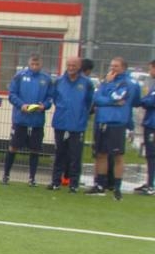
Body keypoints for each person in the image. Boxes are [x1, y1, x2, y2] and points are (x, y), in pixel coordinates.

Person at [86, 57, 141, 200]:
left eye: (116, 66)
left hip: (116, 123)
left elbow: (120, 98)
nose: (112, 68)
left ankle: (117, 188)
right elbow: (97, 99)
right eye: (111, 65)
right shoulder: (107, 81)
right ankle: (100, 185)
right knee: (101, 154)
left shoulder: (128, 83)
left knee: (118, 156)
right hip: (101, 122)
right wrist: (107, 85)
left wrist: (108, 95)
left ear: (124, 67)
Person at [2, 53, 54, 186]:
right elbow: (12, 94)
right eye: (32, 64)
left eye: (37, 64)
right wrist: (21, 105)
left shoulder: (46, 79)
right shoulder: (19, 76)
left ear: (41, 64)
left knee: (35, 149)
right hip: (20, 120)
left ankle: (32, 178)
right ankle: (6, 175)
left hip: (37, 121)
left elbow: (50, 97)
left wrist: (44, 106)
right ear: (28, 63)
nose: (35, 66)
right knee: (13, 147)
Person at [48, 56, 94, 192]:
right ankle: (55, 182)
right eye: (69, 65)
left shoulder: (86, 83)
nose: (71, 68)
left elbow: (89, 101)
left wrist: (80, 114)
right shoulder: (59, 81)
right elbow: (55, 98)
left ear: (79, 66)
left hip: (77, 125)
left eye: (74, 65)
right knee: (59, 154)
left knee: (75, 156)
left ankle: (74, 184)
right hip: (61, 123)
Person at [136, 60, 155, 195]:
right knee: (150, 154)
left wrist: (140, 100)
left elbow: (151, 101)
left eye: (151, 69)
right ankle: (149, 182)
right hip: (150, 122)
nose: (150, 72)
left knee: (152, 154)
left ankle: (151, 185)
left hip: (153, 124)